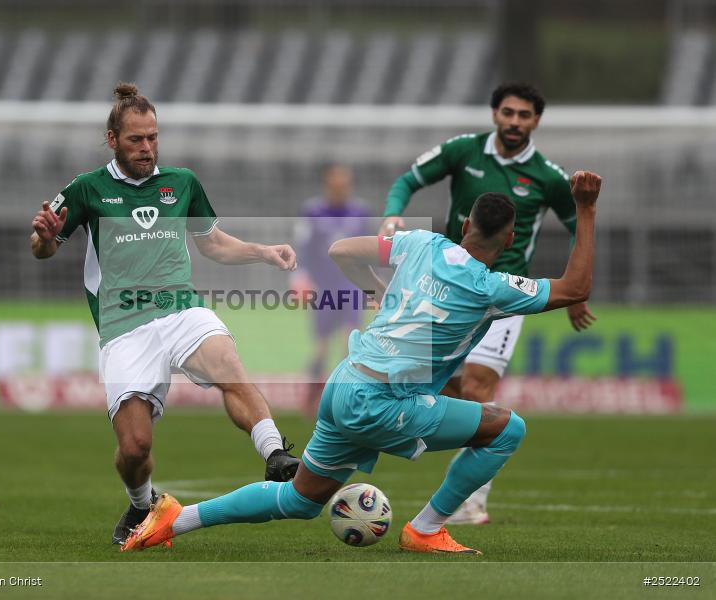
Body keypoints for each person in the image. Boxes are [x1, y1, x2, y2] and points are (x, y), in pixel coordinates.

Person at [122, 171, 602, 555]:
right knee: (507, 428)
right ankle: (428, 529)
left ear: (463, 226)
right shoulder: (491, 288)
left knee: (300, 500)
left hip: (345, 384)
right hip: (385, 402)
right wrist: (584, 210)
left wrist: (379, 290)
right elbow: (575, 287)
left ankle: (174, 519)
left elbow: (340, 250)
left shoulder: (421, 244)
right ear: (511, 236)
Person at [30, 82, 301, 546]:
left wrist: (263, 252)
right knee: (134, 449)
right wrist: (45, 237)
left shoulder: (183, 183)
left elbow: (212, 242)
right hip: (122, 327)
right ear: (112, 140)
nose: (147, 147)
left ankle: (275, 454)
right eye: (136, 139)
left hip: (180, 310)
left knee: (227, 365)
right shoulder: (86, 189)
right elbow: (43, 248)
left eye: (153, 137)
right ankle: (141, 505)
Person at [378, 82, 596, 524]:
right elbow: (408, 180)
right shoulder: (464, 151)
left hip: (502, 296)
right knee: (433, 386)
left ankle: (470, 503)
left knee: (477, 387)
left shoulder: (548, 177)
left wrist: (574, 293)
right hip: (449, 289)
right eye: (508, 113)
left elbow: (579, 226)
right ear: (495, 113)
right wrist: (393, 212)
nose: (515, 122)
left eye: (525, 116)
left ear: (536, 121)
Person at [291, 165, 371, 414]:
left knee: (351, 341)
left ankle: (344, 399)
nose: (339, 189)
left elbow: (369, 252)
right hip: (324, 285)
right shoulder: (313, 212)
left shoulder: (360, 212)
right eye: (335, 185)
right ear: (328, 185)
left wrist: (373, 287)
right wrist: (300, 278)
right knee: (321, 346)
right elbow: (303, 248)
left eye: (344, 185)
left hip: (351, 285)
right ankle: (311, 400)